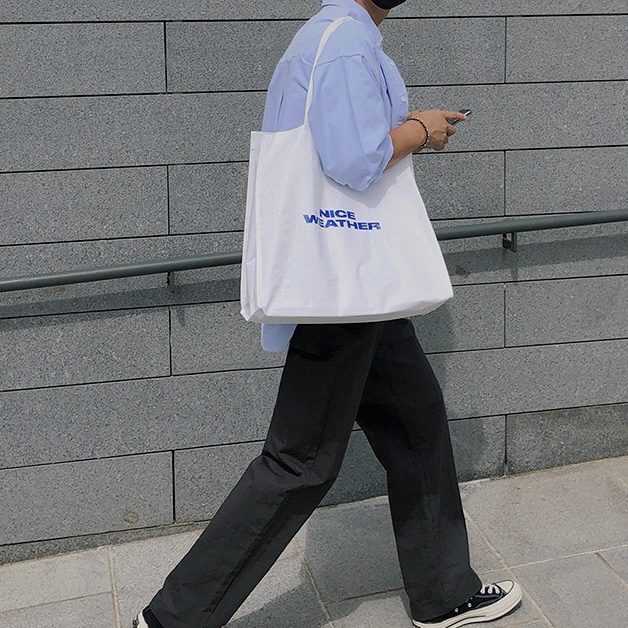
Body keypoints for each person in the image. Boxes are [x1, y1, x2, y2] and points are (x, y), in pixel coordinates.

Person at [135, 1, 522, 627]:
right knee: (300, 461)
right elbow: (353, 159)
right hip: (341, 289)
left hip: (358, 286)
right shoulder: (342, 43)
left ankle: (444, 593)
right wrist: (420, 129)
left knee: (417, 424)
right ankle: (171, 620)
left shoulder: (340, 38)